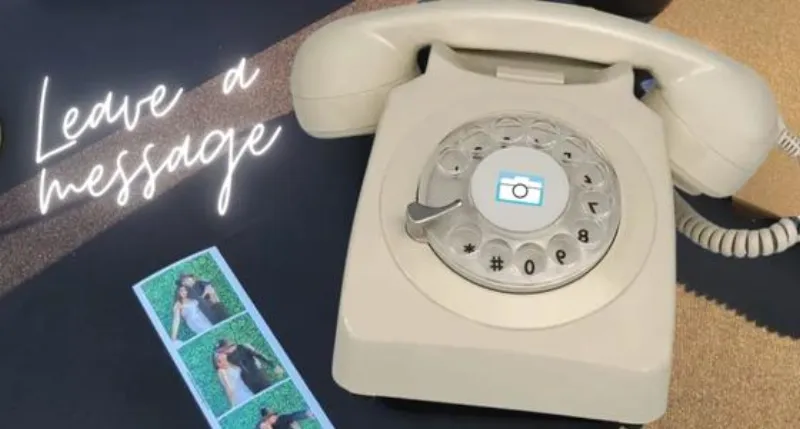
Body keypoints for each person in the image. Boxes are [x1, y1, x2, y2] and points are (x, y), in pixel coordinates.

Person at [215, 339, 284, 394]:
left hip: (259, 376)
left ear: (227, 347)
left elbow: (260, 355)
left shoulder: (243, 347)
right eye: (220, 351)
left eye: (222, 351)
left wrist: (274, 366)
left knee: (270, 391)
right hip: (248, 382)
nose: (222, 353)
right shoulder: (228, 358)